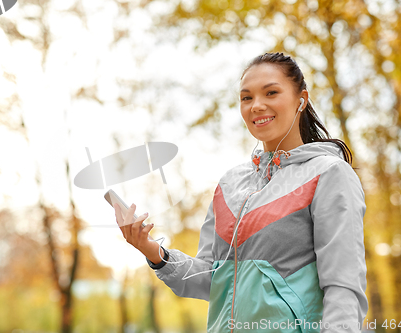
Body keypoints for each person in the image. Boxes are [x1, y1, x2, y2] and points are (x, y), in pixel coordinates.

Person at [114, 52, 368, 333]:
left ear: (301, 100)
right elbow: (211, 278)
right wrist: (151, 250)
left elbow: (343, 287)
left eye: (271, 93)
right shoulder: (229, 184)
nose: (256, 105)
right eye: (246, 98)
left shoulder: (328, 173)